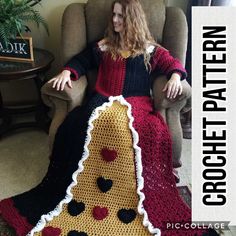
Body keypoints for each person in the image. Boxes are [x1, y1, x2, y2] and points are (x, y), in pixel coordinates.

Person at [0, 0, 217, 235]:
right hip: (101, 99)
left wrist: (176, 76)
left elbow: (172, 63)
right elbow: (80, 61)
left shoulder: (149, 49)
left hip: (138, 104)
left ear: (132, 19)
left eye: (120, 17)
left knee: (143, 128)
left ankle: (128, 188)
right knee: (92, 123)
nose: (114, 20)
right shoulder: (103, 46)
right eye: (114, 15)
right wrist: (66, 72)